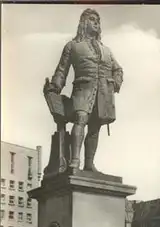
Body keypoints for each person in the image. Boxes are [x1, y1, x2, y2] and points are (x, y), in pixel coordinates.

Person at [45, 9, 123, 172]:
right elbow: (61, 70)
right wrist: (55, 86)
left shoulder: (106, 50)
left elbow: (118, 69)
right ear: (83, 23)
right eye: (92, 20)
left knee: (95, 127)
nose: (96, 23)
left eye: (98, 21)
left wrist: (116, 81)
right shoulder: (73, 46)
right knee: (81, 118)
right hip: (83, 91)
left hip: (103, 95)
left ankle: (89, 164)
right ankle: (75, 161)